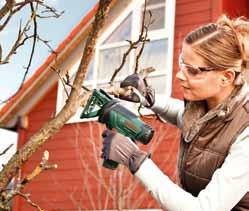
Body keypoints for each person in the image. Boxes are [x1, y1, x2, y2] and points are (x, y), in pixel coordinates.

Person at [101, 15, 249, 211]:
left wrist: (135, 159)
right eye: (182, 63)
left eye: (193, 71)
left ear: (226, 78)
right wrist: (149, 99)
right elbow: (191, 119)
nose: (180, 75)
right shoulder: (209, 105)